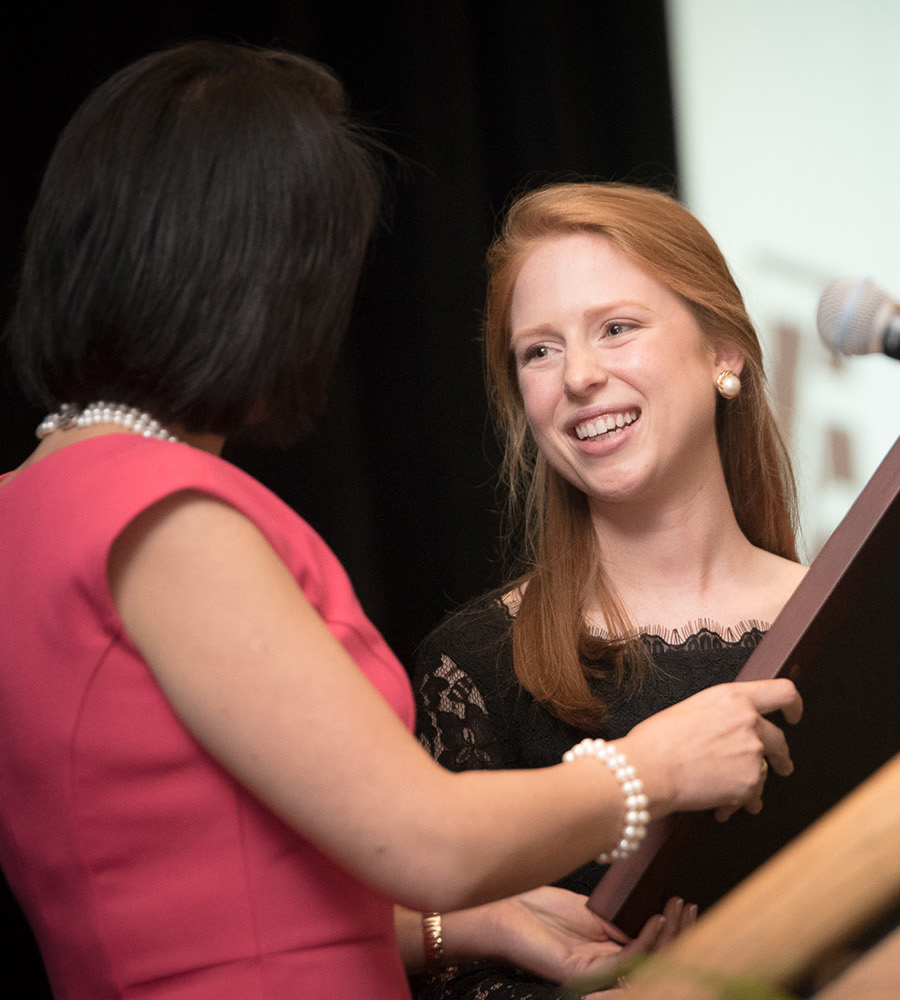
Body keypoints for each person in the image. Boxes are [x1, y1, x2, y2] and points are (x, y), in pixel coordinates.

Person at [0, 42, 800, 1000]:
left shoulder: (35, 503)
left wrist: (469, 925)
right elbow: (420, 838)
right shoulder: (164, 517)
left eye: (617, 327)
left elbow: (199, 886)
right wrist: (649, 770)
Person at [407, 181, 808, 1000]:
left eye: (616, 329)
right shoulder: (476, 665)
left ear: (724, 351)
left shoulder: (857, 624)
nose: (579, 376)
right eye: (540, 351)